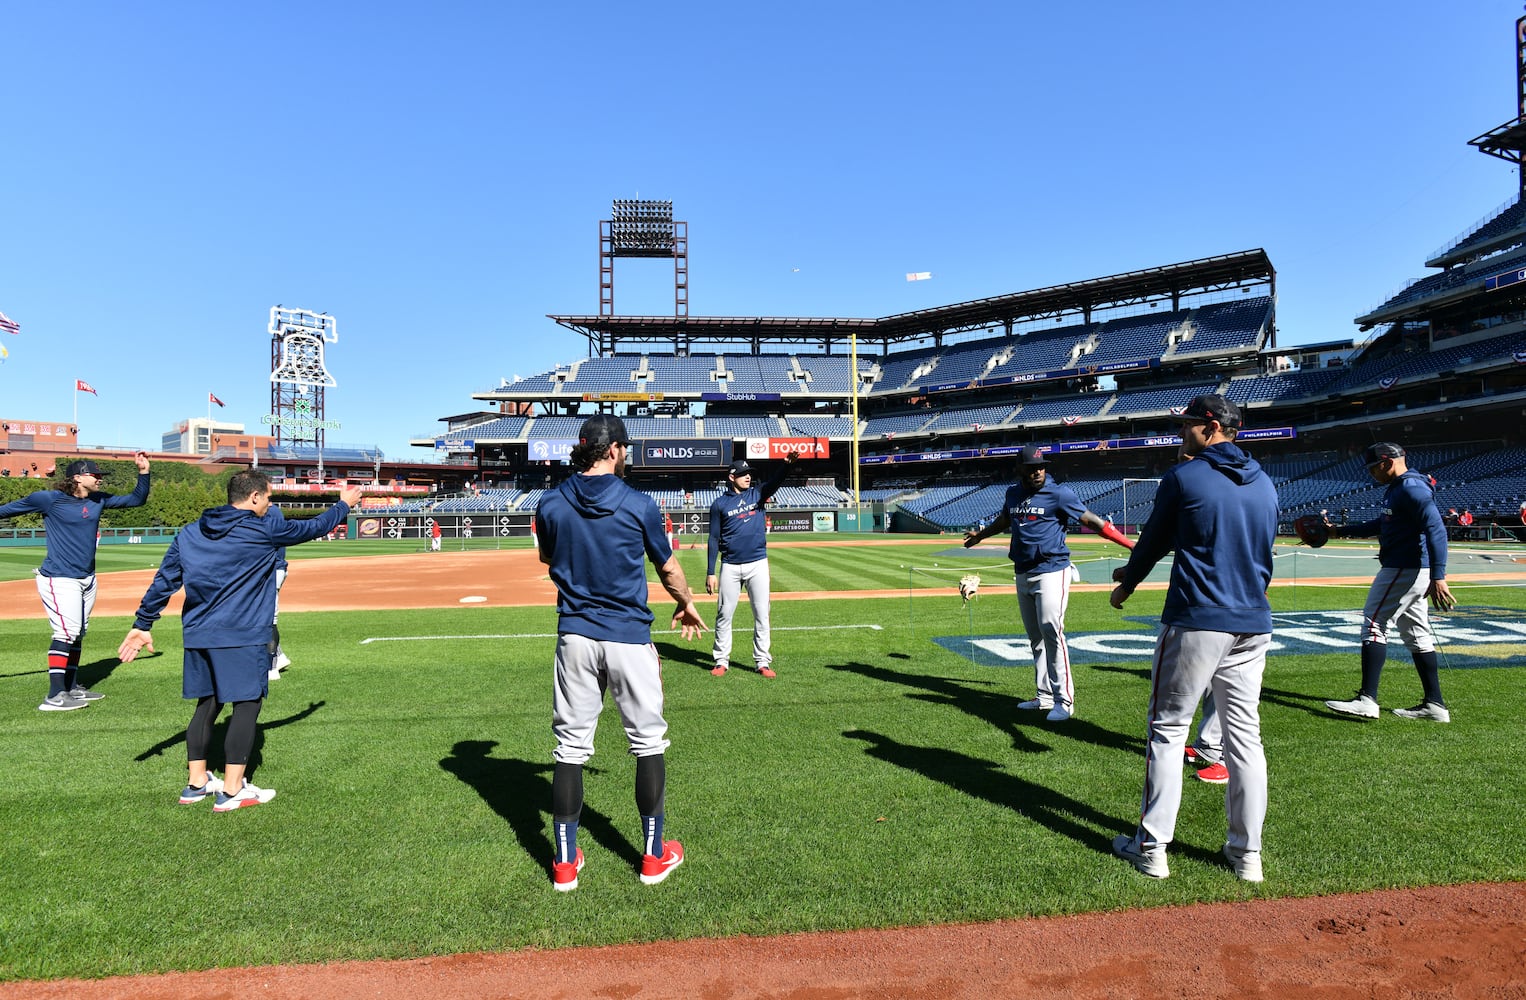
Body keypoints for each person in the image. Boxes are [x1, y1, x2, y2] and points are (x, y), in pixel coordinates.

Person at [117, 471, 361, 811]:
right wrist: (343, 506)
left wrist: (143, 623)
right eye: (269, 497)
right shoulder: (262, 530)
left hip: (199, 634)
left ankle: (197, 782)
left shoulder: (189, 532)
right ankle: (232, 791)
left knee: (208, 704)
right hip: (242, 634)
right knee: (247, 705)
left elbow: (165, 580)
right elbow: (313, 528)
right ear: (255, 498)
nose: (270, 504)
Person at [1108, 395, 1277, 882]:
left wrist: (1128, 582)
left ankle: (1151, 847)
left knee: (1168, 729)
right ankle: (1247, 856)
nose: (1182, 432)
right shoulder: (1264, 482)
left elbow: (1154, 540)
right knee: (1245, 739)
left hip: (1198, 617)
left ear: (1209, 426)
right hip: (1253, 619)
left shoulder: (1184, 477)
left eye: (1186, 425)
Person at [534, 414, 706, 891]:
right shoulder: (639, 504)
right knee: (647, 742)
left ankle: (565, 864)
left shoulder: (550, 502)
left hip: (575, 636)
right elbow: (668, 567)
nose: (627, 456)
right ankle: (653, 857)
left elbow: (548, 558)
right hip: (628, 636)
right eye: (625, 449)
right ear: (612, 451)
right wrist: (687, 603)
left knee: (570, 747)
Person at [962, 444, 1135, 721]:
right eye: (1031, 468)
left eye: (1041, 467)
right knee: (1035, 638)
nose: (1038, 472)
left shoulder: (1058, 493)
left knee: (1051, 631)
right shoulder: (1013, 493)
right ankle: (1043, 697)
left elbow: (1093, 521)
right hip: (1023, 571)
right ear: (1020, 470)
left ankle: (1064, 701)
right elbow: (1004, 519)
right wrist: (980, 536)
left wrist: (1130, 545)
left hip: (1052, 570)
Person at [0, 454, 151, 712]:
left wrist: (144, 472)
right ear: (78, 477)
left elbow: (136, 499)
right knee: (66, 632)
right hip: (59, 578)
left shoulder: (98, 500)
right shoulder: (48, 500)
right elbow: (5, 510)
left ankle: (71, 686)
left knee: (78, 633)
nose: (100, 479)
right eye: (96, 475)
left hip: (87, 578)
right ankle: (55, 695)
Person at [1323, 442, 1455, 723]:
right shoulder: (1402, 487)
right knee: (1417, 634)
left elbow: (1436, 529)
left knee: (1374, 623)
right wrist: (1339, 531)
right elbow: (1383, 524)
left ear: (1386, 462)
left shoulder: (1411, 488)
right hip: (1411, 568)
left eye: (1373, 468)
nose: (1371, 474)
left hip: (1403, 568)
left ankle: (1367, 700)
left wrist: (1439, 576)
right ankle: (1435, 705)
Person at [705, 454, 799, 678]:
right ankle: (721, 660)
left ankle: (762, 661)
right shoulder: (720, 504)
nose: (747, 477)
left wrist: (786, 465)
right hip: (730, 565)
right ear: (731, 477)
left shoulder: (757, 494)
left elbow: (775, 481)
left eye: (749, 474)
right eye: (742, 474)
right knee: (724, 614)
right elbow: (713, 538)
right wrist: (710, 571)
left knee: (762, 614)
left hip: (757, 562)